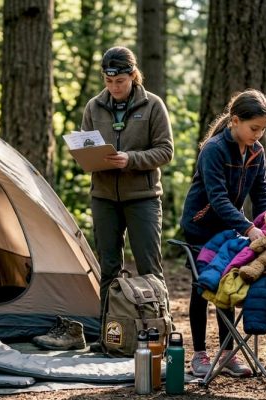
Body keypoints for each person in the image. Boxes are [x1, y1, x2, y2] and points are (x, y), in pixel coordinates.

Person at [77, 46, 173, 351]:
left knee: (149, 267)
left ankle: (158, 334)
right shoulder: (94, 107)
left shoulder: (153, 105)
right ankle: (109, 336)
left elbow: (165, 151)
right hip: (103, 197)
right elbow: (84, 146)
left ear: (133, 76)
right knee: (108, 268)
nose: (114, 87)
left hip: (143, 197)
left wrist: (130, 159)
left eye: (119, 81)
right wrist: (88, 157)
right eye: (109, 82)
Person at [180, 89, 266, 377]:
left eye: (263, 129)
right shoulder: (214, 149)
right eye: (254, 128)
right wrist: (248, 227)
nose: (258, 135)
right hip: (200, 226)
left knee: (228, 282)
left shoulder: (257, 152)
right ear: (235, 121)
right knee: (202, 286)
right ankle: (199, 354)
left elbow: (262, 194)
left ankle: (227, 354)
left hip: (229, 226)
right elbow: (218, 198)